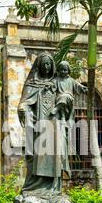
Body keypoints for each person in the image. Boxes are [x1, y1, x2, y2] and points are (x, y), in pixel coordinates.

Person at [18, 53, 69, 193]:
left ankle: (52, 187)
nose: (46, 67)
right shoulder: (31, 83)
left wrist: (62, 101)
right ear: (39, 66)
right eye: (44, 64)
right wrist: (23, 109)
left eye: (49, 64)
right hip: (37, 126)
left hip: (54, 124)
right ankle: (35, 185)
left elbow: (66, 96)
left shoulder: (56, 82)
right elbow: (25, 102)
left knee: (55, 154)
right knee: (37, 155)